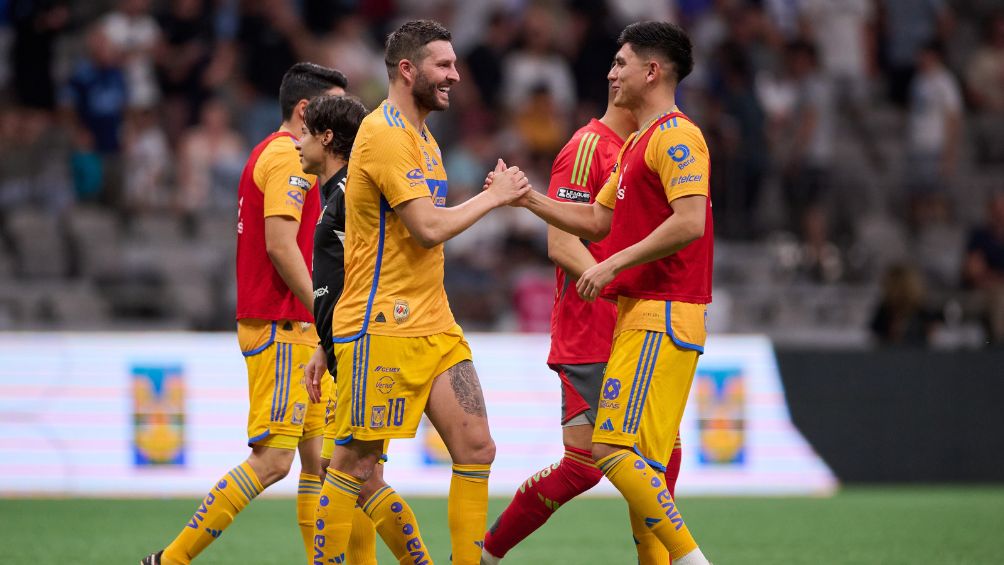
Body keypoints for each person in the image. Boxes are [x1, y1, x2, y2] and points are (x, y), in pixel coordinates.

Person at [311, 20, 530, 565]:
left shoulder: (425, 140)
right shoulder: (384, 134)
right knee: (355, 465)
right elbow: (427, 228)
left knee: (477, 447)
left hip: (433, 322)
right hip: (380, 323)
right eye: (444, 65)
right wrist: (495, 197)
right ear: (407, 70)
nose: (455, 75)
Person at [142, 63, 366, 565]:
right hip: (284, 325)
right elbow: (282, 248)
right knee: (273, 462)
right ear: (307, 112)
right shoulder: (288, 157)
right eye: (332, 107)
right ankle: (171, 560)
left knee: (321, 465)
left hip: (298, 328)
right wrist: (324, 311)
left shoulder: (277, 153)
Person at [513, 21, 714, 565]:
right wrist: (528, 198)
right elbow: (596, 220)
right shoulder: (635, 145)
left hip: (663, 311)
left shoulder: (675, 135)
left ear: (652, 71)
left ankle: (692, 560)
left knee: (609, 451)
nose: (610, 72)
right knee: (640, 462)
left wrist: (612, 268)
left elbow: (690, 220)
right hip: (640, 316)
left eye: (621, 63)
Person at [482, 85, 685, 565]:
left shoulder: (645, 149)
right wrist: (615, 286)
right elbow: (562, 244)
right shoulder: (587, 147)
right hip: (593, 326)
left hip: (640, 324)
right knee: (587, 465)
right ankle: (484, 555)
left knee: (658, 455)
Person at [298, 93, 434, 564]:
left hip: (367, 340)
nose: (298, 143)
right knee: (359, 472)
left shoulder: (350, 191)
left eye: (304, 134)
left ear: (327, 138)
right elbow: (339, 275)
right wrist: (323, 343)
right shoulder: (333, 193)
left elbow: (366, 271)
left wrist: (342, 337)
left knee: (350, 468)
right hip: (343, 344)